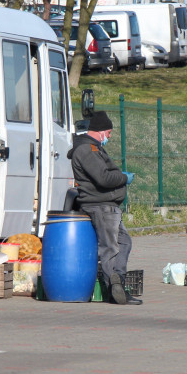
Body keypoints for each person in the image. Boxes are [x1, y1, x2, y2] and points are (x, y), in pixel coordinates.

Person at [69, 111, 140, 305]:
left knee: (124, 242)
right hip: (100, 205)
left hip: (108, 205)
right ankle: (114, 287)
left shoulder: (94, 148)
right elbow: (104, 178)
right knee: (110, 247)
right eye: (108, 133)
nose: (109, 137)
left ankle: (118, 283)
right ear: (100, 131)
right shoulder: (86, 151)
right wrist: (124, 178)